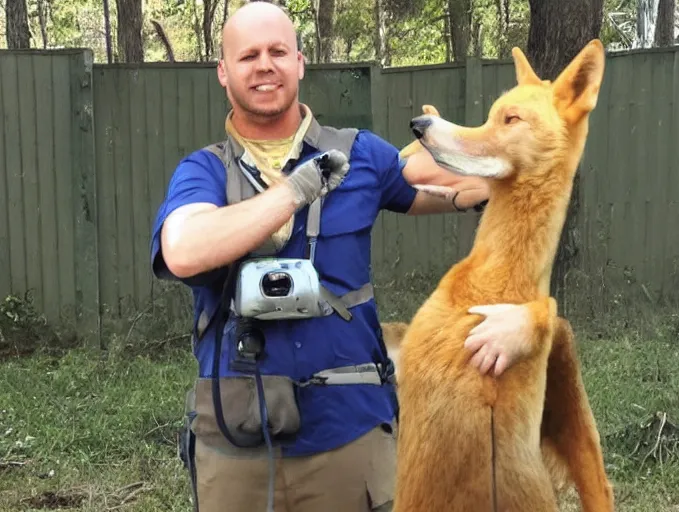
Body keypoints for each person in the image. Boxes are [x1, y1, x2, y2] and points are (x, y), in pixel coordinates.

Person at [149, 2, 539, 511]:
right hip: (236, 441)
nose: (264, 65)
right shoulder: (203, 170)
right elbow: (182, 249)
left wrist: (462, 150)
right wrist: (294, 191)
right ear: (224, 71)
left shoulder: (360, 154)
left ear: (300, 62)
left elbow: (461, 183)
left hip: (349, 435)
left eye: (277, 52)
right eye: (248, 56)